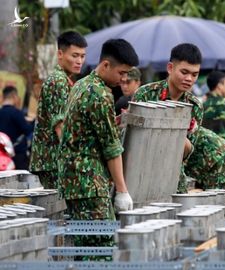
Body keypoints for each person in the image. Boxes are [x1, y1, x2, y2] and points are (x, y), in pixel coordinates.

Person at [57, 39, 138, 258]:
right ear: (105, 65)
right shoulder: (100, 95)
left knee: (85, 247)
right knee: (100, 248)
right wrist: (122, 191)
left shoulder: (82, 84)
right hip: (89, 184)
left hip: (75, 182)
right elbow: (111, 148)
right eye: (121, 73)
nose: (124, 79)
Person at [133, 43, 203, 193]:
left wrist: (186, 133)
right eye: (184, 72)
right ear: (170, 68)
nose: (189, 79)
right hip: (142, 174)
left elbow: (188, 151)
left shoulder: (194, 105)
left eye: (194, 74)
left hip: (174, 177)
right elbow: (135, 141)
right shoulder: (145, 95)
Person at [29, 31, 87, 189]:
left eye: (82, 56)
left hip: (54, 161)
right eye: (74, 55)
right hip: (55, 161)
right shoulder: (58, 81)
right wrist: (76, 162)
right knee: (60, 211)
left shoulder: (64, 79)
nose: (79, 61)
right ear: (60, 54)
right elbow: (60, 126)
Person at [0, 86, 34, 169]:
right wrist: (34, 122)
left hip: (2, 155)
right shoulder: (16, 113)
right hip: (17, 155)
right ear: (14, 96)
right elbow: (27, 130)